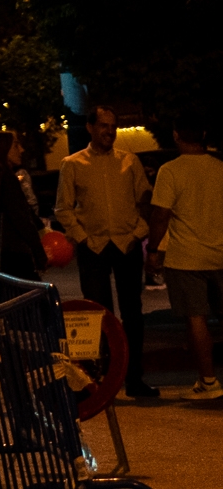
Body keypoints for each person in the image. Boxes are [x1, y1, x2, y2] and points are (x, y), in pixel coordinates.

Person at [57, 106, 158, 398]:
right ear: (90, 127)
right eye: (103, 126)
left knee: (133, 313)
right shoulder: (73, 163)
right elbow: (63, 208)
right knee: (96, 316)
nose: (109, 132)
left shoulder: (129, 161)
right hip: (94, 247)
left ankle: (134, 378)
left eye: (112, 126)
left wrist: (139, 231)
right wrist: (82, 237)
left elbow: (145, 198)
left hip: (126, 244)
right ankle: (100, 380)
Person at [142, 116, 221, 401]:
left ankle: (209, 381)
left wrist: (152, 252)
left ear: (176, 135)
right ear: (202, 134)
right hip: (221, 255)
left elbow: (160, 214)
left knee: (196, 319)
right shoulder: (220, 168)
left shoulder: (171, 171)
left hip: (186, 258)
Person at [0, 128, 44, 308]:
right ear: (2, 150)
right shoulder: (7, 179)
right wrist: (40, 254)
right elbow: (21, 220)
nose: (21, 149)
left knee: (12, 313)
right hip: (14, 257)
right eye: (15, 145)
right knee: (36, 311)